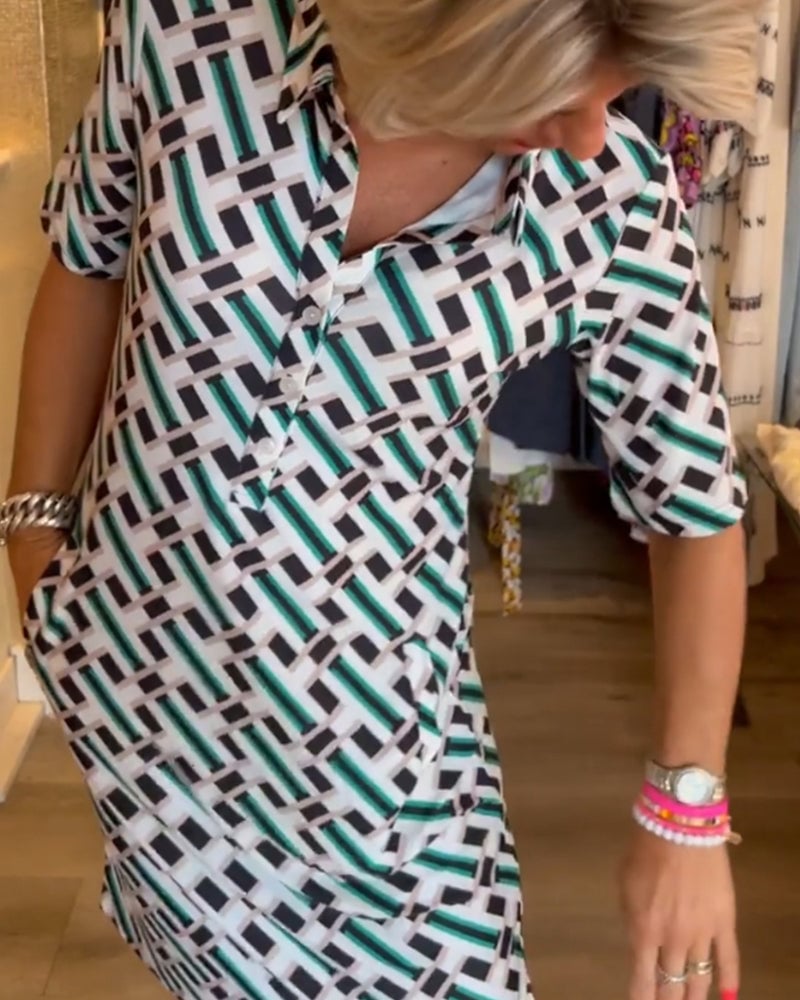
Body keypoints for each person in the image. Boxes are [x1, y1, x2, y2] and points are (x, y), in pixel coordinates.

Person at [1, 1, 758, 998]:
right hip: (137, 698)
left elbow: (693, 505)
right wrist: (33, 533)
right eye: (557, 95)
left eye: (612, 98)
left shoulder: (607, 202)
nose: (587, 135)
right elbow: (88, 257)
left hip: (379, 767)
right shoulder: (189, 34)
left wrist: (684, 813)